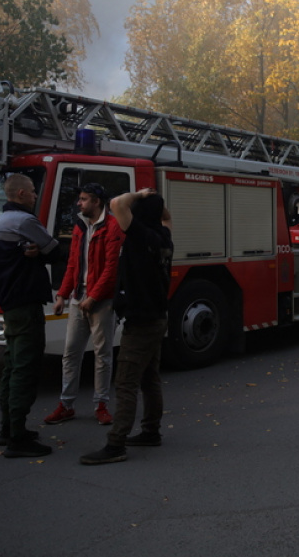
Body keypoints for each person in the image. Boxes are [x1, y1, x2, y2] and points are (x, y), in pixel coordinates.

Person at [80, 188, 174, 465]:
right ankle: (150, 431)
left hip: (141, 322)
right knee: (149, 378)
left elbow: (116, 202)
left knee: (126, 382)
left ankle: (116, 443)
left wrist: (141, 192)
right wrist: (153, 204)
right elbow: (166, 217)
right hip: (157, 317)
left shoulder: (139, 235)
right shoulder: (163, 237)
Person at [0, 173, 62, 458]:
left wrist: (32, 254)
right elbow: (54, 250)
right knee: (25, 369)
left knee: (11, 367)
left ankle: (7, 430)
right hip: (25, 305)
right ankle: (18, 438)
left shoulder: (0, 221)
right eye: (32, 192)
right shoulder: (24, 221)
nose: (35, 196)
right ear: (20, 194)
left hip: (11, 305)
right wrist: (40, 254)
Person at [44, 183, 124, 427]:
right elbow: (73, 264)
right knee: (71, 353)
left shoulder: (113, 227)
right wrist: (62, 295)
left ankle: (101, 404)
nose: (79, 203)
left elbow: (112, 269)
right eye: (79, 199)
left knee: (103, 354)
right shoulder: (80, 227)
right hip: (79, 298)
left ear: (97, 202)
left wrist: (94, 297)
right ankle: (66, 404)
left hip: (101, 301)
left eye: (84, 199)